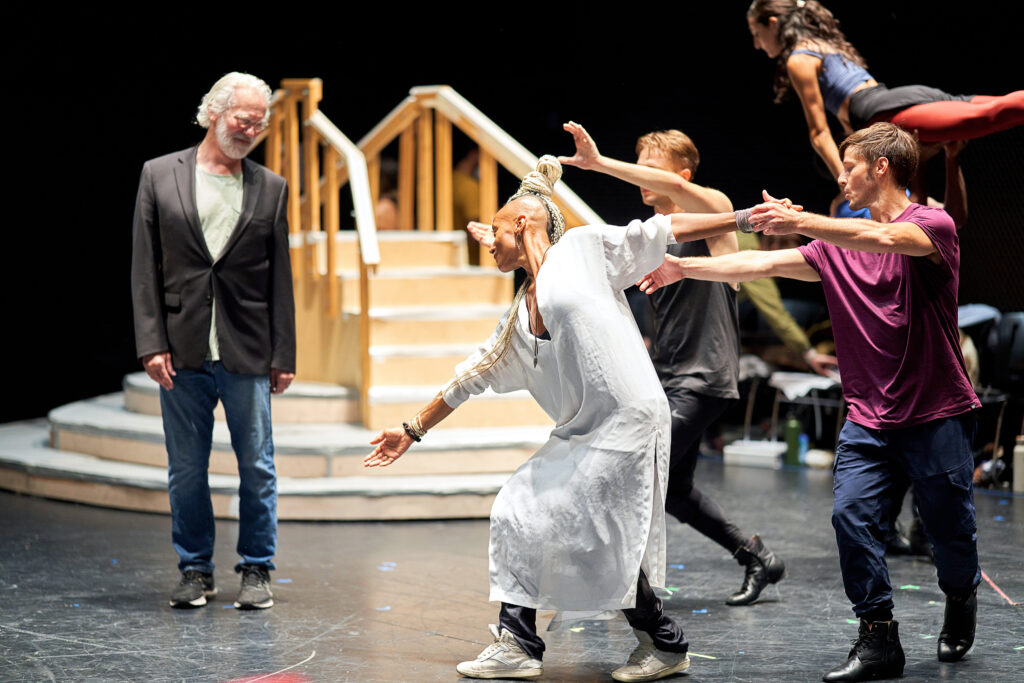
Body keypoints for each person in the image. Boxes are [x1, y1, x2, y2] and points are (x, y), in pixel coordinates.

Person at [366, 156, 754, 681]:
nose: (490, 244)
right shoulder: (519, 315)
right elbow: (470, 375)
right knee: (527, 514)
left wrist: (743, 219)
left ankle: (531, 644)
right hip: (579, 432)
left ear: (521, 223)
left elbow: (668, 228)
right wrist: (411, 429)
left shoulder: (583, 251)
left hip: (629, 419)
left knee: (572, 524)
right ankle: (635, 644)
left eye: (496, 233)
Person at [639, 123, 981, 682]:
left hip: (936, 414)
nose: (841, 175)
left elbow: (886, 241)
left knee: (949, 534)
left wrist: (798, 221)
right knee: (851, 518)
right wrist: (686, 266)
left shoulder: (931, 226)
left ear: (880, 168)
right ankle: (877, 639)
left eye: (848, 166)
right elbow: (761, 264)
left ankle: (960, 593)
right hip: (869, 419)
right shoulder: (835, 247)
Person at [556, 121, 795, 605]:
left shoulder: (716, 216)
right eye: (637, 167)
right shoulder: (650, 236)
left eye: (652, 170)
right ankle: (756, 557)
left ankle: (618, 588)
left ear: (682, 174)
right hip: (665, 376)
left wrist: (600, 164)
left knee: (631, 471)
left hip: (703, 375)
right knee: (674, 491)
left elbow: (686, 193)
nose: (642, 178)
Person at [131, 72, 296, 610]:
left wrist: (283, 353)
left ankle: (256, 568)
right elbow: (144, 271)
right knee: (185, 467)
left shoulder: (270, 187)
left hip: (246, 347)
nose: (249, 129)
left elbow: (280, 280)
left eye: (258, 122)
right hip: (181, 349)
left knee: (258, 466)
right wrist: (151, 343)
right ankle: (195, 569)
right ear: (212, 114)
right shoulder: (159, 175)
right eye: (241, 119)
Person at [746, 0, 1023, 195]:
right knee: (1000, 106)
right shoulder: (827, 46)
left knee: (993, 114)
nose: (758, 44)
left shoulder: (799, 58)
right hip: (899, 96)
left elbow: (819, 133)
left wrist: (845, 180)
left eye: (757, 35)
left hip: (882, 111)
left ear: (773, 23)